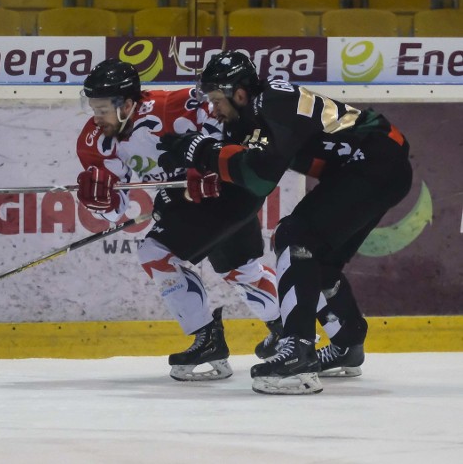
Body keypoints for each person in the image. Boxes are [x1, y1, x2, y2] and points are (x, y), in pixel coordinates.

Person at [157, 51, 413, 395]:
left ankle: (298, 351)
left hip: (374, 163)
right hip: (374, 166)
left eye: (217, 100)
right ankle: (347, 344)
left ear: (240, 93)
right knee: (319, 259)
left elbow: (260, 177)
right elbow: (238, 168)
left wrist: (200, 152)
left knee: (296, 237)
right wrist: (190, 171)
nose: (213, 110)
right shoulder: (251, 114)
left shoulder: (271, 103)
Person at [75, 58, 281, 382]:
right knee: (242, 271)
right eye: (93, 108)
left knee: (155, 252)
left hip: (227, 191)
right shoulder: (96, 142)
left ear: (128, 104)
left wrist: (209, 165)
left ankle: (207, 337)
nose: (96, 117)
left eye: (103, 109)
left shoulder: (174, 106)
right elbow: (116, 210)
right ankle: (288, 331)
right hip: (201, 198)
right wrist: (100, 201)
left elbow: (234, 125)